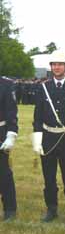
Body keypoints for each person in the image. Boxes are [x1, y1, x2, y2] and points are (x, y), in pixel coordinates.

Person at [32, 50, 65, 225]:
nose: (56, 67)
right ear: (51, 67)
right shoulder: (43, 88)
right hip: (48, 137)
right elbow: (37, 116)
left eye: (60, 64)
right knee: (49, 177)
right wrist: (37, 139)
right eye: (54, 64)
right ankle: (51, 209)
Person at [0, 77, 18, 221]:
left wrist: (11, 134)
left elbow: (12, 112)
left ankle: (10, 208)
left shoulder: (6, 84)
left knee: (3, 172)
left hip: (0, 131)